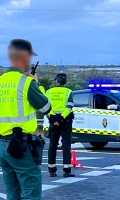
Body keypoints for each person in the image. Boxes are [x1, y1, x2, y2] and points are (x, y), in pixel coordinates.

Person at [0, 39, 51, 200]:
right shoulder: (26, 83)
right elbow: (46, 108)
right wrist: (37, 84)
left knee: (12, 193)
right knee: (31, 193)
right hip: (21, 146)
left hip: (2, 146)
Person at [47, 73, 75, 177]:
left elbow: (46, 107)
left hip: (53, 122)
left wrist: (53, 118)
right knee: (66, 145)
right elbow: (70, 106)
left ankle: (51, 170)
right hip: (65, 122)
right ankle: (67, 170)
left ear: (56, 81)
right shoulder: (69, 92)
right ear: (65, 82)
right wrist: (61, 118)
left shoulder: (49, 92)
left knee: (53, 144)